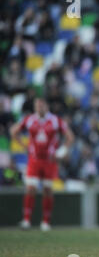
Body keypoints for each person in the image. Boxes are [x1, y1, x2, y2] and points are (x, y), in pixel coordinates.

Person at [10, 98, 74, 231]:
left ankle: (46, 222)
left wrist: (62, 151)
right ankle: (26, 220)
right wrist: (24, 146)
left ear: (47, 106)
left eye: (42, 106)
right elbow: (13, 131)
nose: (39, 108)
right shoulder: (29, 119)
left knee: (47, 190)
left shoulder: (55, 120)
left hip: (49, 160)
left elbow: (70, 137)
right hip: (34, 159)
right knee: (31, 188)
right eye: (37, 106)